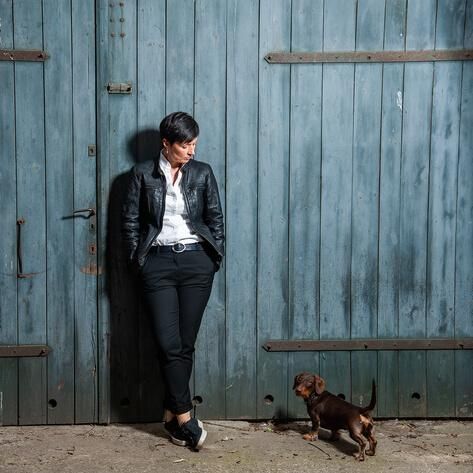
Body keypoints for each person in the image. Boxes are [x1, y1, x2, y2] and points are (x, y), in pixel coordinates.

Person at [122, 112, 224, 450]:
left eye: (194, 144)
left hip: (197, 262)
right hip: (158, 263)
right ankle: (185, 416)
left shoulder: (202, 172)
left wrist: (214, 257)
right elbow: (130, 222)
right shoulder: (141, 174)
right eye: (185, 145)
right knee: (169, 344)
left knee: (184, 343)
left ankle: (169, 416)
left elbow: (215, 218)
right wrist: (139, 262)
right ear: (166, 144)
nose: (192, 151)